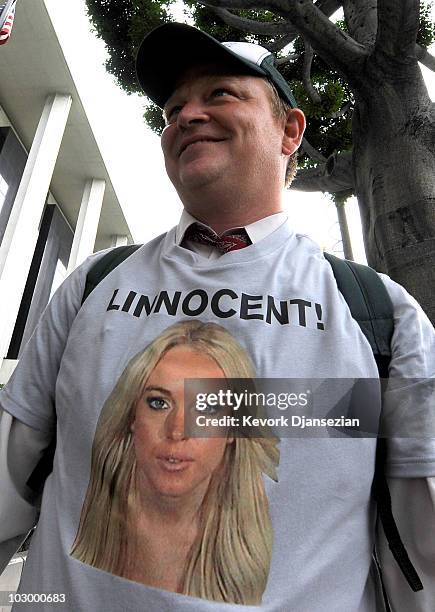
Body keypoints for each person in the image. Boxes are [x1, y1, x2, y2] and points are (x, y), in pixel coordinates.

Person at [0, 21, 434, 612]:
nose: (186, 115)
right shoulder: (93, 287)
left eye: (220, 94)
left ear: (290, 129)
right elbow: (9, 476)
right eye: (174, 107)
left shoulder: (381, 314)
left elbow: (423, 550)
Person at [70, 320, 279, 605]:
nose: (177, 431)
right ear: (131, 416)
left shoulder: (254, 562)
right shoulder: (88, 532)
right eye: (158, 403)